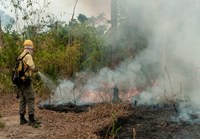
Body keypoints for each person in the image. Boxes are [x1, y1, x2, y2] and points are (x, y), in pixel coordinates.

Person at [17, 39, 40, 126]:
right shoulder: (28, 56)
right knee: (30, 99)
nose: (32, 51)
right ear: (30, 48)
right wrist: (35, 70)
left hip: (19, 81)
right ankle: (31, 119)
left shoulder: (20, 56)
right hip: (26, 81)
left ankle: (22, 119)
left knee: (22, 100)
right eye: (32, 49)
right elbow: (32, 67)